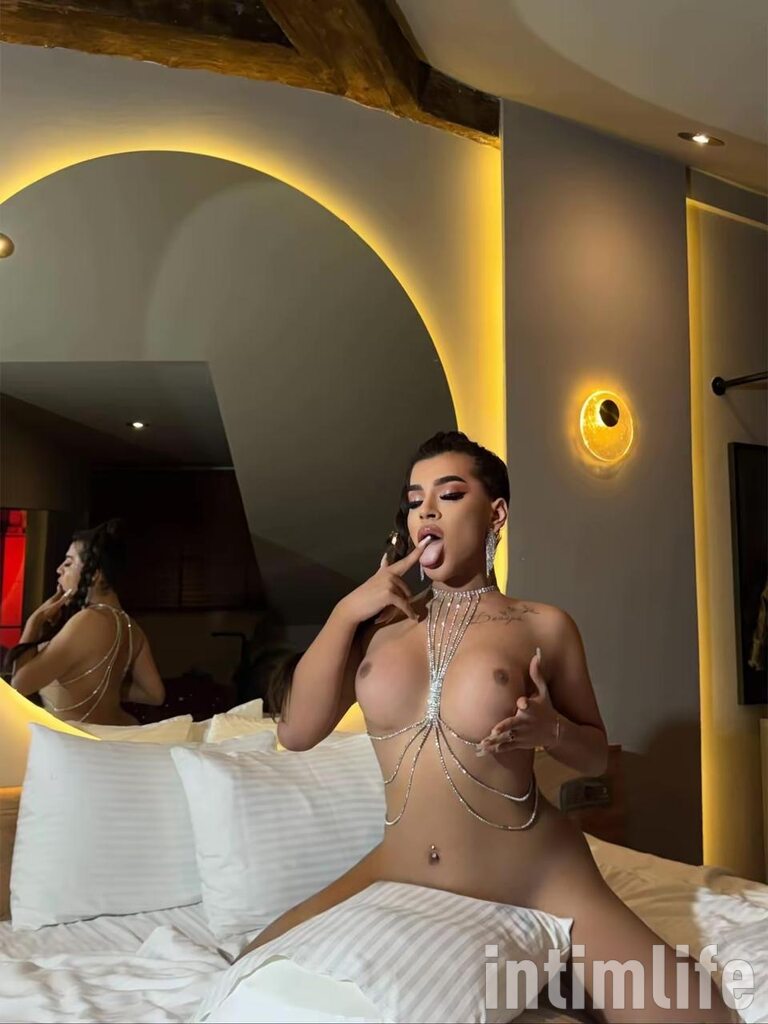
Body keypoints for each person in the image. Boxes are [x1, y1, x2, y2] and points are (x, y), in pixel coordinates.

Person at [240, 431, 736, 1023]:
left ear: (495, 513)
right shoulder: (378, 630)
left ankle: (561, 975)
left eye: (449, 495)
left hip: (537, 874)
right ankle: (555, 986)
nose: (426, 511)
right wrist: (348, 609)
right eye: (415, 500)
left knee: (700, 1018)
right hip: (399, 865)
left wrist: (551, 731)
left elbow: (596, 757)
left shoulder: (543, 625)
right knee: (247, 965)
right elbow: (296, 733)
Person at [5, 519, 165, 725]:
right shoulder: (131, 627)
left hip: (77, 738)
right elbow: (154, 694)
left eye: (68, 563)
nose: (59, 569)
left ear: (95, 575)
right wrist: (105, 687)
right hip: (117, 732)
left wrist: (34, 622)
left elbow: (19, 686)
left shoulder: (86, 620)